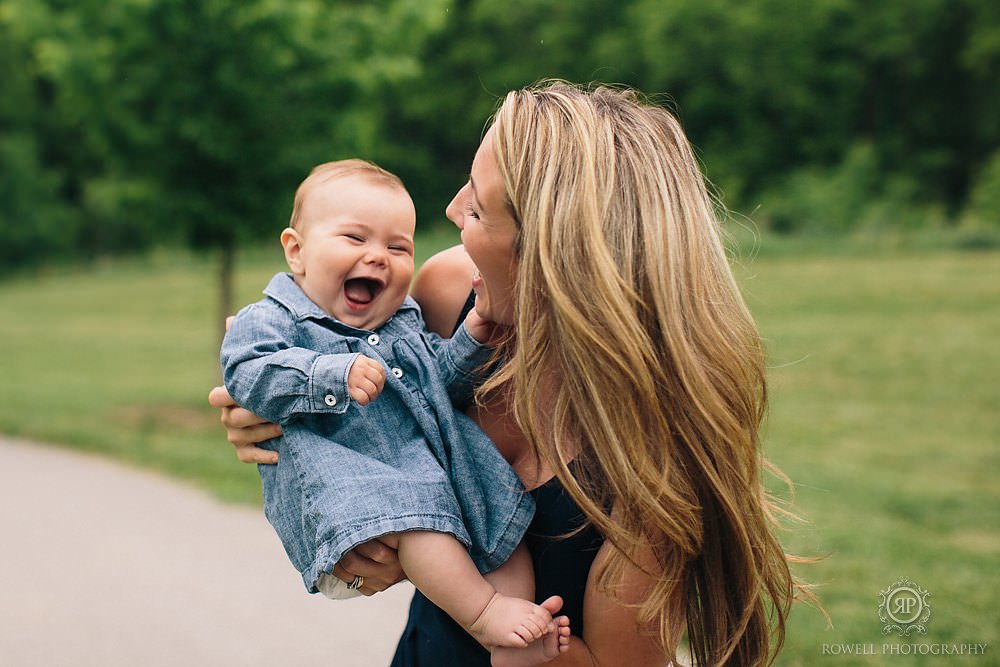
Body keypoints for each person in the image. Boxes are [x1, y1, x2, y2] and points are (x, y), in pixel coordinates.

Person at [210, 81, 813, 666]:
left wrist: (517, 635)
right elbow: (368, 402)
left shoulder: (650, 466)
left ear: (545, 248)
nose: (449, 211)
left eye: (475, 204)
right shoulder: (445, 295)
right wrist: (261, 415)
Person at [219, 159, 570, 661]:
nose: (378, 257)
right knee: (423, 529)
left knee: (502, 520)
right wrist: (328, 374)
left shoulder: (402, 319)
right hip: (361, 480)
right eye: (355, 239)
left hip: (430, 468)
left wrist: (469, 340)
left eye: (397, 246)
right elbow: (248, 373)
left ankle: (515, 638)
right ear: (296, 250)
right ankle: (486, 617)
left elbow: (438, 385)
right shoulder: (272, 320)